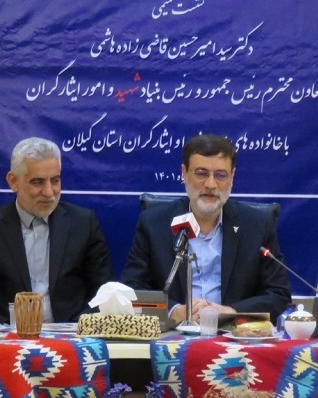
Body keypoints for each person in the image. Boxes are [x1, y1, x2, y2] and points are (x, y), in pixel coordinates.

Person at [120, 133, 290, 323]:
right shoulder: (154, 223)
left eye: (221, 175)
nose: (210, 184)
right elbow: (132, 289)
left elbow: (278, 294)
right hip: (174, 332)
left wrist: (231, 312)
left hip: (233, 332)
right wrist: (172, 311)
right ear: (184, 173)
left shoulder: (257, 225)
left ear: (232, 176)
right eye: (201, 173)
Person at [0, 137, 113, 323]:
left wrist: (79, 327)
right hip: (5, 336)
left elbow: (104, 293)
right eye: (37, 182)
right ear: (13, 181)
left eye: (55, 180)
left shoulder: (83, 224)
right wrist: (0, 329)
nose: (49, 192)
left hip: (72, 336)